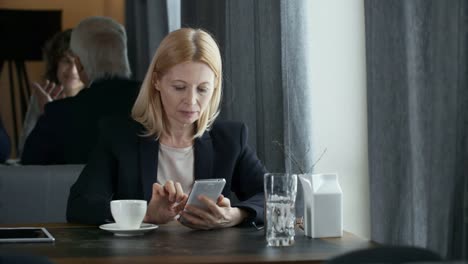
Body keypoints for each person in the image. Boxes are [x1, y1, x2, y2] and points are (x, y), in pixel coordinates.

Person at [66, 28, 266, 230]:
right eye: (179, 87)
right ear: (156, 81)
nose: (191, 100)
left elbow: (270, 196)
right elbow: (80, 205)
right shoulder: (119, 136)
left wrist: (234, 215)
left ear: (215, 87)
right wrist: (145, 214)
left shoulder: (230, 138)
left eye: (203, 89)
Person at [21, 17, 140, 165]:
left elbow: (28, 168)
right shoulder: (158, 100)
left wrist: (47, 116)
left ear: (79, 64)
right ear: (123, 56)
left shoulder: (59, 114)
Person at [19, 29, 84, 155]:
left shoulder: (93, 98)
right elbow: (23, 148)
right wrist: (45, 115)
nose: (73, 70)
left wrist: (54, 116)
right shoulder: (41, 96)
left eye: (79, 63)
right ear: (55, 64)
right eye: (66, 61)